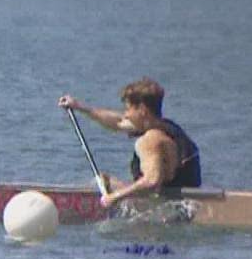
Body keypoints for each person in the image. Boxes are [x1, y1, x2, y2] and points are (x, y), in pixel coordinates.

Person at [58, 77, 200, 208]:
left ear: (142, 110)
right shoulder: (166, 126)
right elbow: (118, 121)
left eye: (128, 109)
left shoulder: (150, 140)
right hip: (182, 197)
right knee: (103, 180)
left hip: (169, 207)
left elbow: (152, 181)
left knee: (102, 182)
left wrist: (114, 197)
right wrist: (79, 107)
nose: (125, 114)